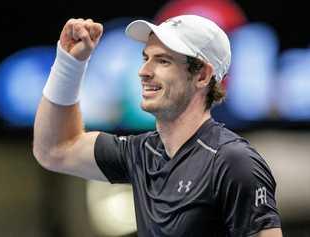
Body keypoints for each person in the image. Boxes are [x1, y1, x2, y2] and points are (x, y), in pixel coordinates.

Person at [33, 15, 282, 236]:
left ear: (202, 76)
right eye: (146, 58)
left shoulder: (232, 161)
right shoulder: (142, 152)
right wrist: (70, 64)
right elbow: (54, 149)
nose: (143, 71)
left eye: (163, 61)